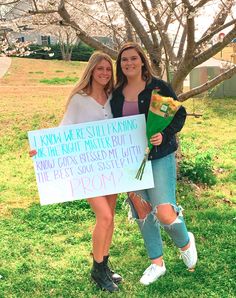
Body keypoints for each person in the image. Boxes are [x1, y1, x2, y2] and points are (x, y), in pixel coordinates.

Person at [30, 52, 121, 293]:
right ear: (91, 70)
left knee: (111, 216)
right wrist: (43, 148)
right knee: (104, 217)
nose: (104, 73)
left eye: (108, 69)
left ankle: (105, 264)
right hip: (87, 168)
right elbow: (64, 129)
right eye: (99, 68)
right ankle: (97, 269)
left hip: (112, 165)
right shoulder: (79, 99)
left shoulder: (113, 96)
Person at [110, 42, 197, 285]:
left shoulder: (158, 87)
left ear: (142, 60)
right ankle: (156, 263)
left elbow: (179, 113)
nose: (129, 63)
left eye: (133, 58)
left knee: (164, 211)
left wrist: (164, 135)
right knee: (142, 211)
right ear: (120, 64)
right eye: (124, 60)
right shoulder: (116, 93)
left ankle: (185, 241)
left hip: (159, 156)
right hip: (130, 160)